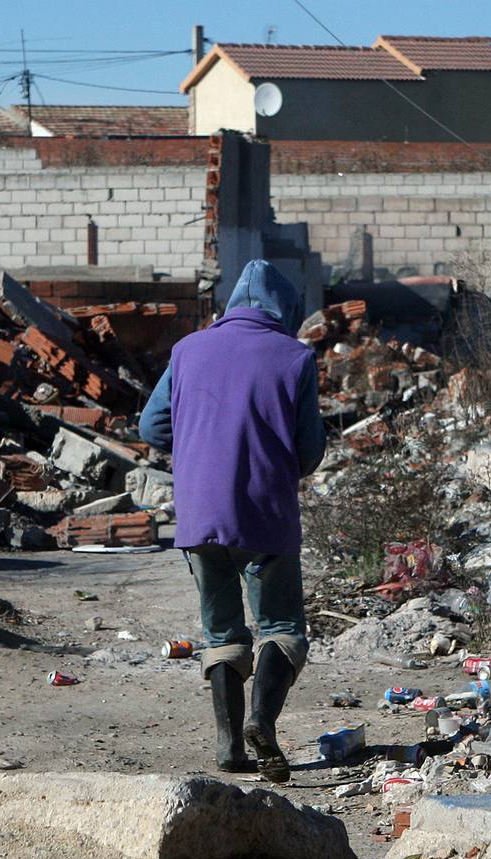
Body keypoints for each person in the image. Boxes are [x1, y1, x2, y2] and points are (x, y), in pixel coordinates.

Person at [139, 260, 325, 783]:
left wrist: (203, 443)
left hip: (199, 516)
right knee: (282, 628)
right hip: (264, 514)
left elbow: (152, 426)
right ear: (284, 310)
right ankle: (263, 722)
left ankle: (228, 746)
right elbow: (309, 452)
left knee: (220, 630)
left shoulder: (187, 350)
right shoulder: (295, 357)